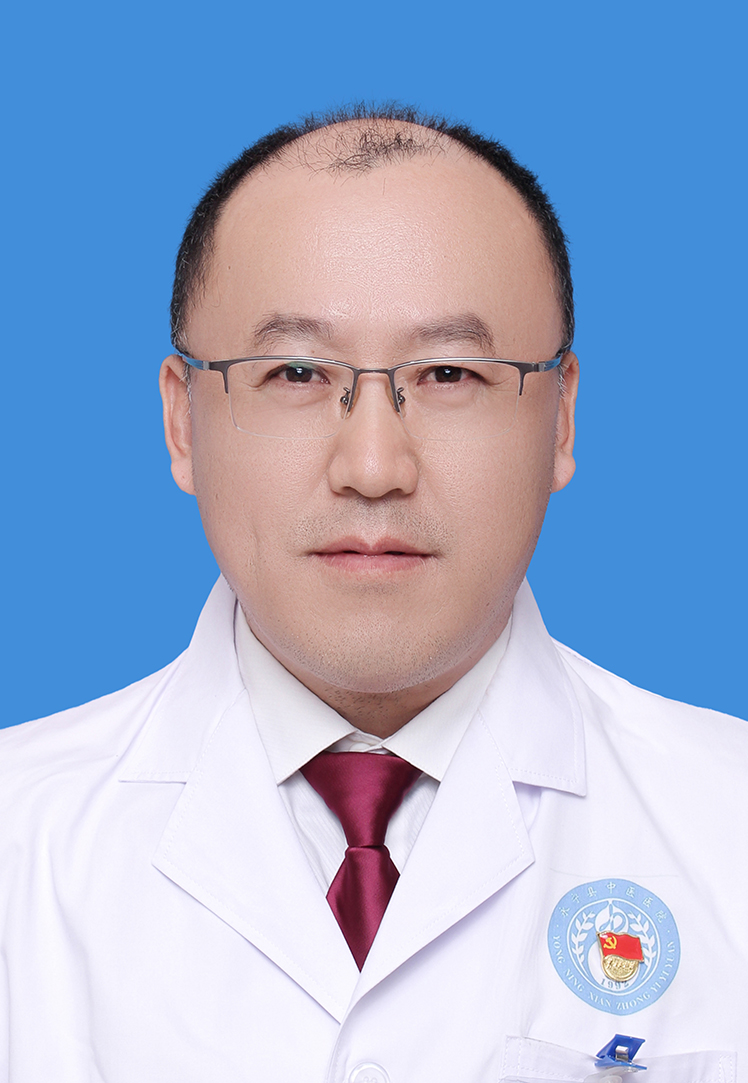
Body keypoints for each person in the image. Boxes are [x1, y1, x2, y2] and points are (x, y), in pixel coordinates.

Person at [1, 104, 746, 1082]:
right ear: (182, 424)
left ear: (561, 418)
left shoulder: (728, 824)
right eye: (295, 372)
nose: (372, 467)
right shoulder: (19, 837)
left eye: (449, 373)